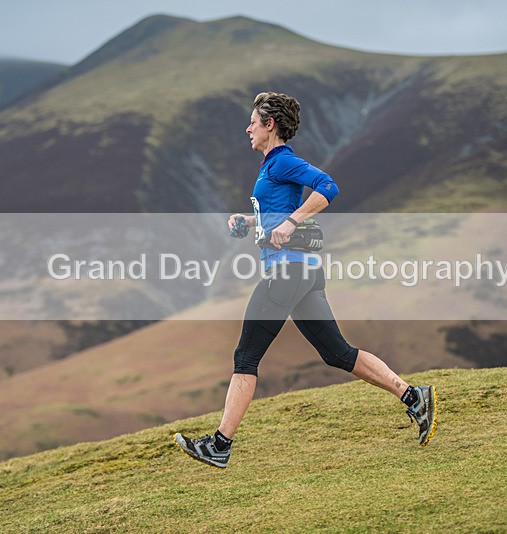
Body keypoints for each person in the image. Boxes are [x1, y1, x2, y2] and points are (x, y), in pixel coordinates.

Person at [174, 92, 436, 468]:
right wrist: (247, 222)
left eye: (253, 121)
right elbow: (276, 214)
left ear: (270, 125)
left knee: (246, 357)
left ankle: (219, 445)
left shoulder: (283, 162)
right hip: (303, 272)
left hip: (288, 271)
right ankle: (414, 397)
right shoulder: (271, 166)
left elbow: (327, 187)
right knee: (338, 353)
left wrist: (293, 221)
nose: (247, 128)